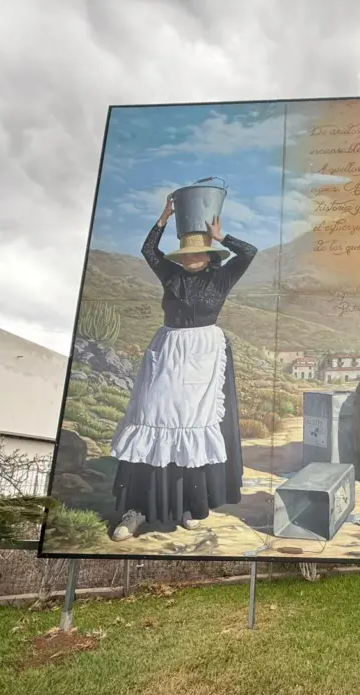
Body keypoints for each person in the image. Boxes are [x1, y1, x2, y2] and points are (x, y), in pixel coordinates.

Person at [108, 193, 256, 540]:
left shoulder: (222, 277)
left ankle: (191, 503)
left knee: (194, 421)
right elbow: (148, 251)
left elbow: (248, 253)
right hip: (169, 350)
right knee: (153, 417)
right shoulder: (170, 275)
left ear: (209, 253)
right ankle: (138, 508)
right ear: (182, 255)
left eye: (199, 251)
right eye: (187, 252)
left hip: (205, 354)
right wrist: (164, 218)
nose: (192, 257)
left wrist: (223, 237)